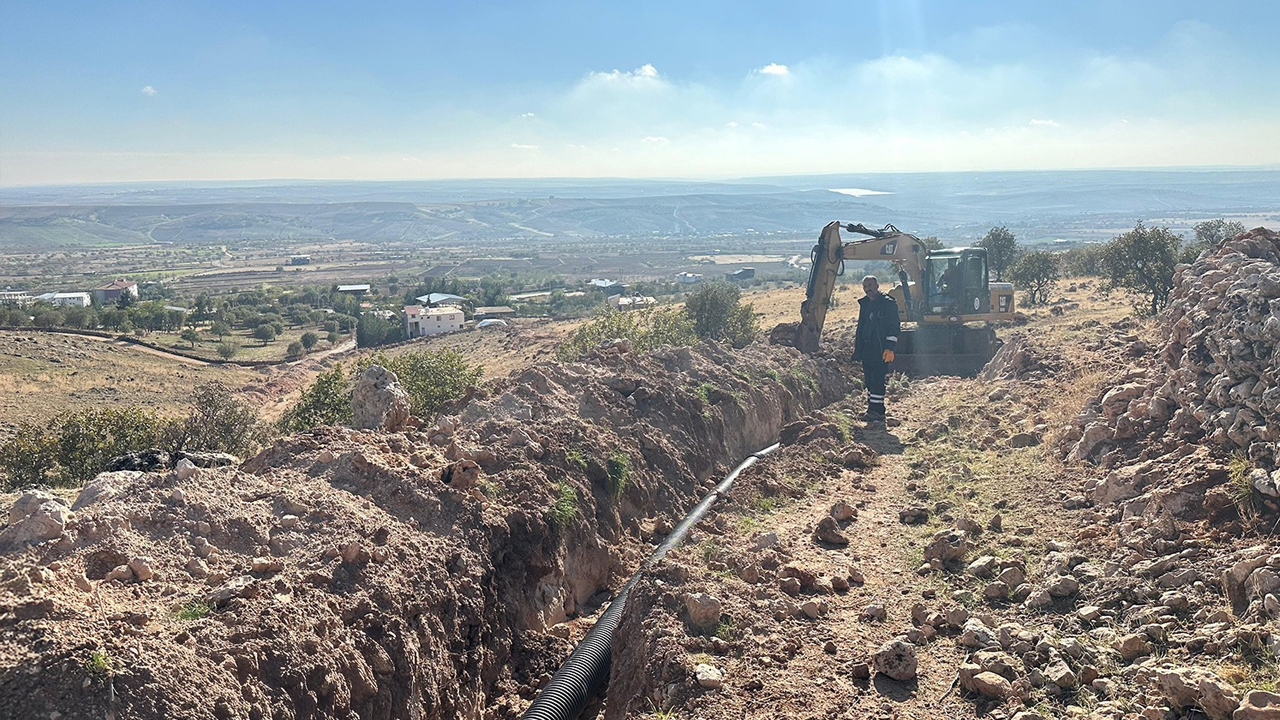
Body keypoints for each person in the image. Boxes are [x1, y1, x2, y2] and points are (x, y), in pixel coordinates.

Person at [854, 275, 900, 423]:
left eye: (870, 285)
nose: (868, 289)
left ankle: (878, 411)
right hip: (867, 348)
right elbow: (862, 327)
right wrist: (858, 349)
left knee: (877, 380)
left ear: (877, 286)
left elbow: (894, 327)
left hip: (881, 350)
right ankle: (871, 409)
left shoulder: (888, 304)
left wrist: (889, 348)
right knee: (869, 380)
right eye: (865, 286)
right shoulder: (866, 304)